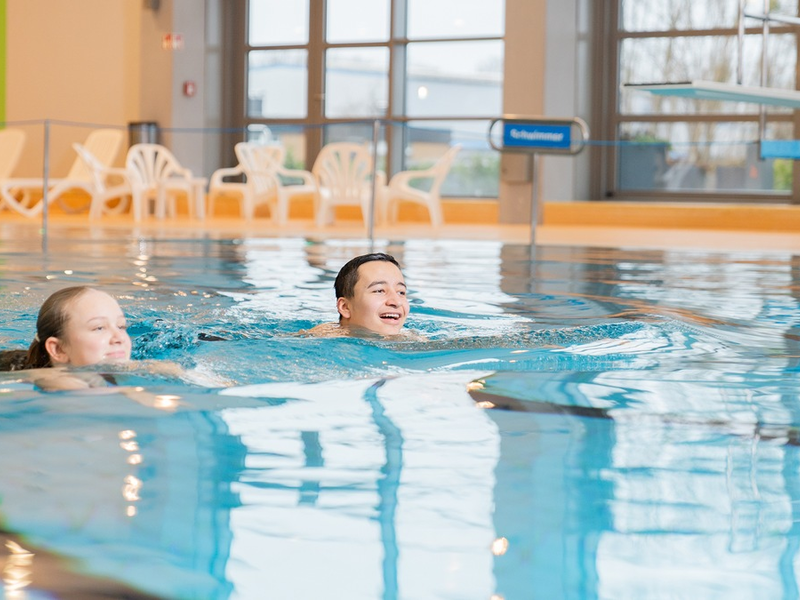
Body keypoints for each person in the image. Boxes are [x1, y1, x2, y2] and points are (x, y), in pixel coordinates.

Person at [0, 286, 205, 399]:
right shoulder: (60, 381)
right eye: (99, 328)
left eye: (121, 326)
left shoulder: (107, 366)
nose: (119, 338)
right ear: (59, 349)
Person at [302, 252, 418, 338]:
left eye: (401, 292)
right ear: (345, 307)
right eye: (379, 290)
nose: (396, 302)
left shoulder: (413, 339)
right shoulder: (319, 339)